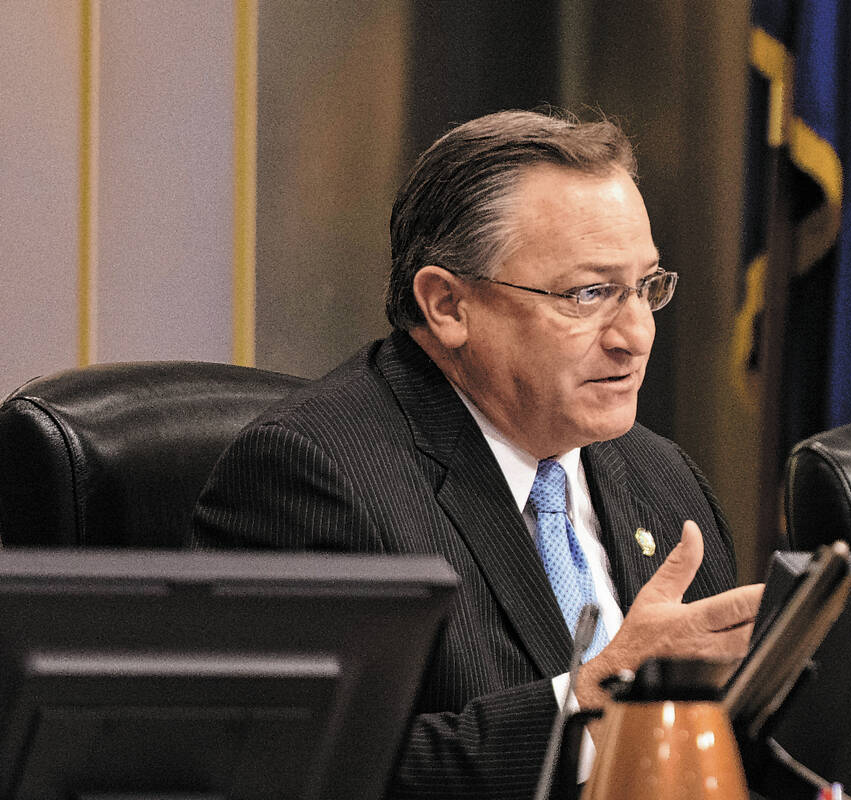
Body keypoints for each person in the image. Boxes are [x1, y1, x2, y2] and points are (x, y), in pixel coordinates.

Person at [192, 109, 763, 799]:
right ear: (448, 305)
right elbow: (311, 771)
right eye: (588, 294)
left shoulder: (662, 478)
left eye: (645, 287)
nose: (635, 334)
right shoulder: (313, 477)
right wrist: (598, 699)